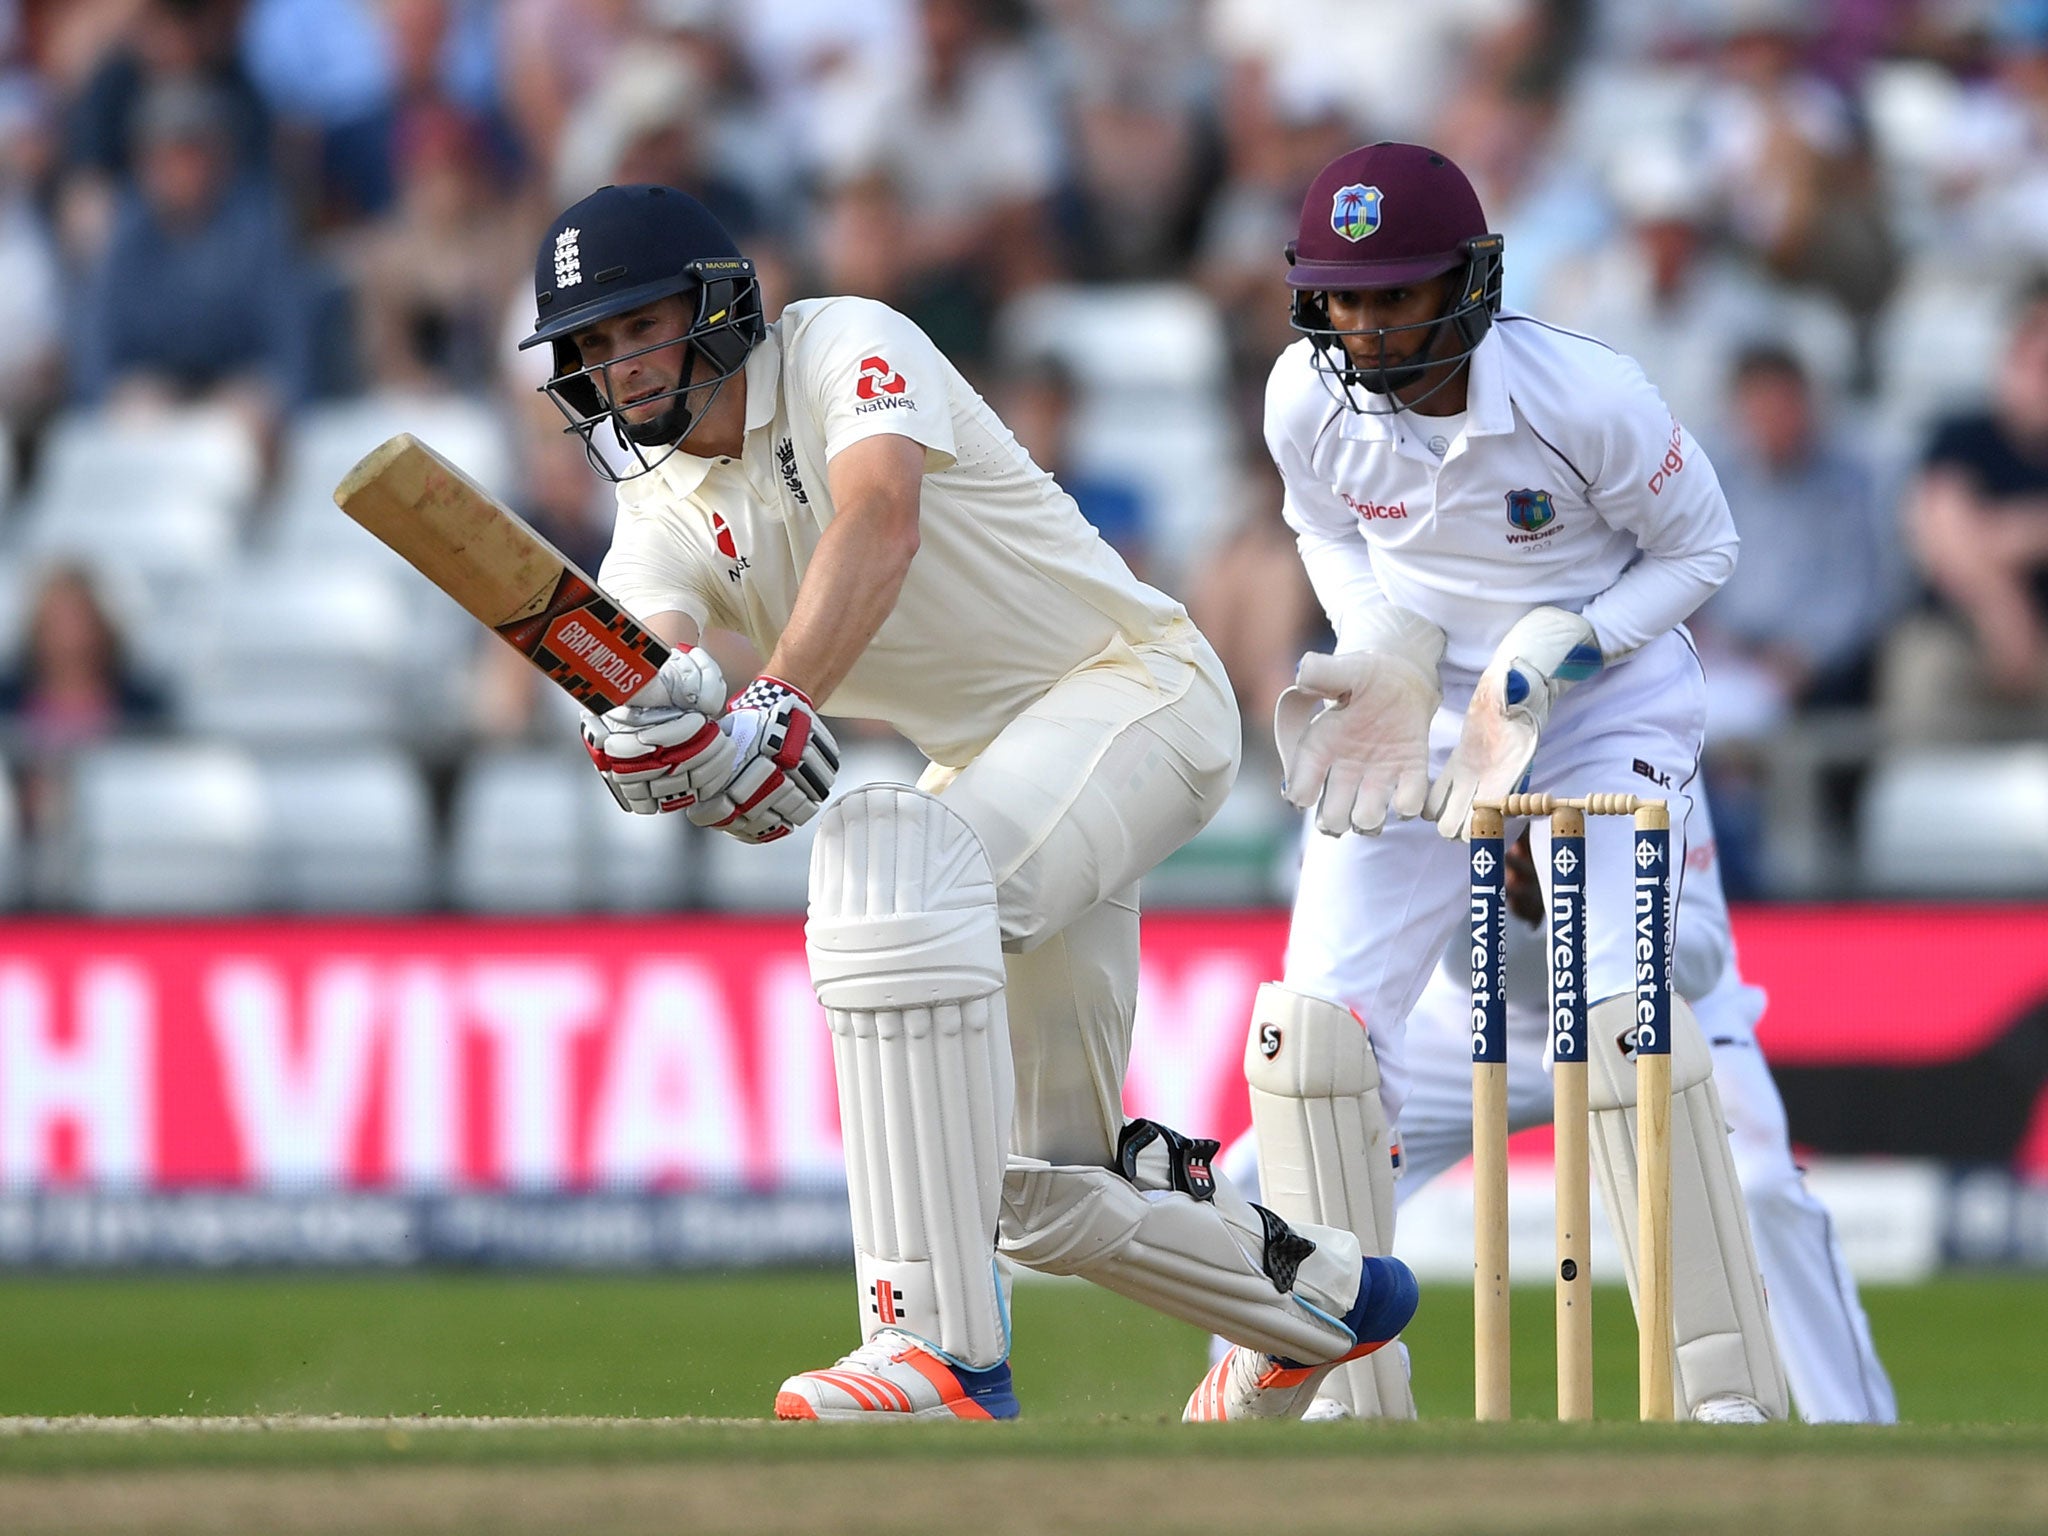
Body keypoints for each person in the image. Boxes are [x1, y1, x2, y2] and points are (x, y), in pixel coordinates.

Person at [519, 182, 1418, 1422]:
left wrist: (776, 701)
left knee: (889, 873)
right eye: (593, 345)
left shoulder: (844, 345)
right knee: (1039, 1187)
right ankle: (1323, 1302)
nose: (619, 367)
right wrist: (644, 738)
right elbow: (648, 655)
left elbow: (880, 518)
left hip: (1138, 692)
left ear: (717, 305)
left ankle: (935, 1349)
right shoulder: (657, 507)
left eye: (640, 327)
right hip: (1000, 765)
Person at [1222, 140, 1785, 1423]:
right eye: (1341, 298)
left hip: (1600, 704)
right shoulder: (1301, 398)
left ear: (1468, 283)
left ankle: (1717, 1396)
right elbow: (1319, 526)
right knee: (1312, 1040)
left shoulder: (1584, 395)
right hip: (1416, 714)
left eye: (1395, 295)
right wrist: (1381, 642)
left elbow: (1700, 550)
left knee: (1617, 1018)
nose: (1364, 328)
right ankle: (1335, 1393)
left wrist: (1569, 644)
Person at [1215, 794, 1900, 1424]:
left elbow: (1701, 955)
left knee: (1764, 1187)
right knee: (1258, 1180)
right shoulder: (1424, 757)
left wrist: (1576, 915)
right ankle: (1275, 1411)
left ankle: (1855, 1427)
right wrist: (1515, 914)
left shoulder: (1631, 754)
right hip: (1471, 1024)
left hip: (1657, 1009)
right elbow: (1451, 966)